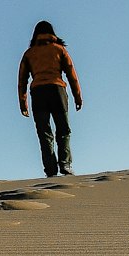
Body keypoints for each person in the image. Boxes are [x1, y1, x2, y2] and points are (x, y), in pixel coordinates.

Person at [18, 21, 83, 176]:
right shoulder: (59, 50)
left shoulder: (29, 54)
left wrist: (23, 103)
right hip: (57, 91)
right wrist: (77, 97)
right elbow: (72, 75)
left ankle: (50, 169)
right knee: (63, 129)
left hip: (38, 93)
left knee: (44, 132)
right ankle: (65, 164)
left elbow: (22, 80)